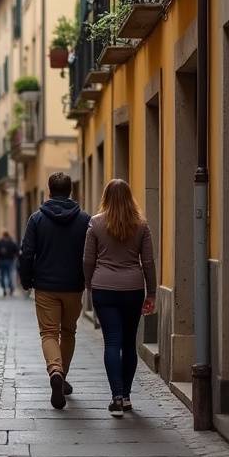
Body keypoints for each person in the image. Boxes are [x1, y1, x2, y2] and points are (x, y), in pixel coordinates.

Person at [84, 179, 156, 418]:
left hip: (104, 288)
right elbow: (148, 262)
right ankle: (126, 396)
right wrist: (152, 292)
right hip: (133, 289)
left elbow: (88, 260)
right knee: (128, 344)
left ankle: (116, 397)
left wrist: (89, 285)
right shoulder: (141, 225)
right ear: (129, 196)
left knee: (112, 343)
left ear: (105, 196)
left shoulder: (95, 223)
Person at [19, 172, 91, 410]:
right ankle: (62, 376)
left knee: (49, 333)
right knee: (69, 332)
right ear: (71, 191)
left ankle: (55, 372)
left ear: (49, 191)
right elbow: (90, 255)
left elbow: (27, 252)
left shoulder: (36, 219)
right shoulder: (84, 220)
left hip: (46, 286)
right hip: (74, 285)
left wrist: (26, 278)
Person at [0, 231, 19, 297]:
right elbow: (17, 251)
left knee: (3, 276)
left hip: (2, 261)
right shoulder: (11, 242)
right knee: (9, 276)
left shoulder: (0, 242)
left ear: (3, 236)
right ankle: (10, 289)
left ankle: (4, 289)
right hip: (10, 261)